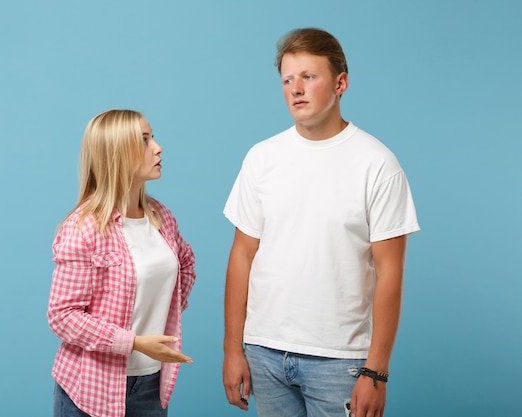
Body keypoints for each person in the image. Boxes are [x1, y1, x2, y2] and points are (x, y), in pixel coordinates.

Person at [222, 28, 420, 417]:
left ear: (341, 83)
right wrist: (233, 348)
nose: (296, 89)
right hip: (264, 352)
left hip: (339, 359)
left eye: (308, 77)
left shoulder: (377, 164)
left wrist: (376, 371)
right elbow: (242, 255)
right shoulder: (261, 158)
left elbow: (390, 272)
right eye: (287, 80)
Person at [47, 109, 196, 417]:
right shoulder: (84, 229)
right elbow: (62, 316)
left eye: (152, 137)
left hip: (152, 384)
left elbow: (185, 266)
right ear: (116, 154)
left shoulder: (162, 217)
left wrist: (163, 318)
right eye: (144, 140)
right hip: (91, 389)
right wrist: (134, 342)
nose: (158, 147)